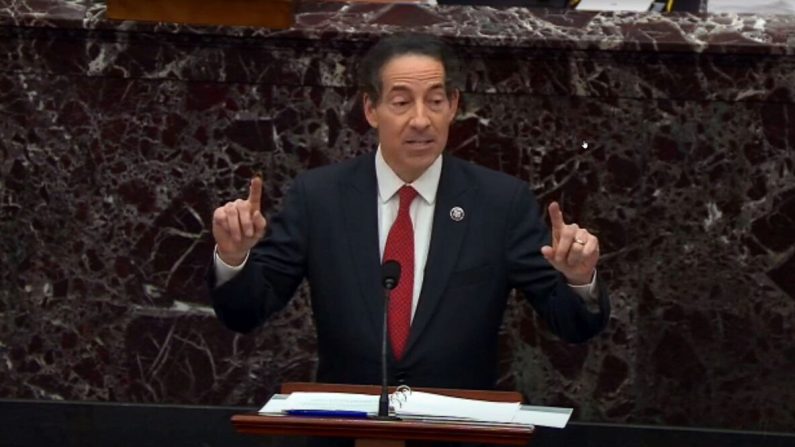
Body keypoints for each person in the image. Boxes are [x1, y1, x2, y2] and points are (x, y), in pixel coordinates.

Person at [208, 33, 610, 391]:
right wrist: (233, 257)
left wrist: (578, 279)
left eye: (435, 101)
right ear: (371, 109)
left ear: (453, 106)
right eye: (401, 102)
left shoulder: (500, 202)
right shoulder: (319, 197)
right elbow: (245, 313)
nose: (421, 119)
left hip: (456, 434)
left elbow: (573, 325)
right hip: (349, 432)